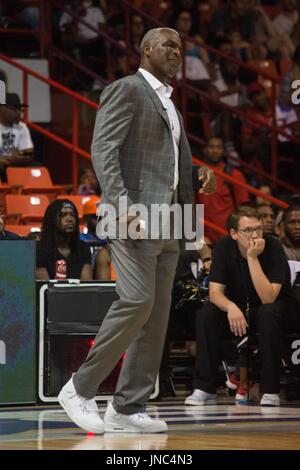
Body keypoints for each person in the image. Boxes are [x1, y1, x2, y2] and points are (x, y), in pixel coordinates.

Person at [58, 27, 216, 434]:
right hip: (130, 216)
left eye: (181, 47)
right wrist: (122, 205)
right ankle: (79, 388)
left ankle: (127, 407)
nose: (177, 53)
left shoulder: (169, 102)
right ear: (146, 49)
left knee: (157, 316)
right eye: (169, 46)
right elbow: (103, 149)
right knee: (137, 301)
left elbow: (162, 164)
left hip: (171, 222)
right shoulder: (127, 88)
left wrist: (197, 175)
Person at [185, 206, 292, 407]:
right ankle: (204, 388)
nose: (255, 235)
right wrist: (231, 307)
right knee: (207, 314)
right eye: (248, 230)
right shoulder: (224, 247)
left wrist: (252, 258)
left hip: (269, 308)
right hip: (238, 309)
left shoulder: (273, 247)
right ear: (233, 233)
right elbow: (215, 293)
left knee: (269, 313)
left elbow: (268, 297)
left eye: (258, 229)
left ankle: (270, 390)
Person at [36, 199, 93, 280]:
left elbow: (86, 287)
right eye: (63, 215)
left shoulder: (83, 248)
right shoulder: (40, 249)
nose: (69, 219)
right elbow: (44, 288)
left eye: (72, 215)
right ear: (52, 220)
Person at [0, 93, 34, 181]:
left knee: (37, 167)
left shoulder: (22, 127)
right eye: (14, 109)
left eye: (20, 110)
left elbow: (27, 153)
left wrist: (9, 159)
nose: (19, 113)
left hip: (13, 165)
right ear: (2, 109)